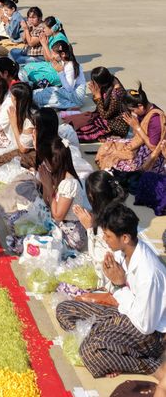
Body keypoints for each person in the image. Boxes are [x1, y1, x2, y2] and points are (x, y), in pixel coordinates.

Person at [56, 202, 166, 377]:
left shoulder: (149, 273)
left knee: (88, 350)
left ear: (125, 238)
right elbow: (117, 293)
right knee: (65, 309)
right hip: (123, 312)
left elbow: (145, 325)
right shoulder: (122, 252)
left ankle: (152, 367)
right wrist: (112, 283)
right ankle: (110, 348)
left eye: (107, 236)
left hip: (151, 335)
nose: (105, 240)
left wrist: (119, 286)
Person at [96, 84, 166, 174]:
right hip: (141, 146)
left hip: (153, 156)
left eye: (133, 110)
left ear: (140, 106)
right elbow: (136, 136)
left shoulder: (155, 118)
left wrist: (137, 127)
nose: (133, 112)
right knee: (107, 147)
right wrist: (135, 125)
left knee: (117, 167)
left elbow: (153, 147)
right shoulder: (144, 110)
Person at [68, 67, 129, 142]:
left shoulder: (116, 93)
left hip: (116, 124)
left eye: (94, 81)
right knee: (78, 122)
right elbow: (100, 106)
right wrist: (96, 95)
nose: (92, 82)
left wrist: (97, 96)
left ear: (101, 82)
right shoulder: (108, 82)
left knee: (84, 132)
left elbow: (105, 115)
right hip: (106, 116)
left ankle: (107, 135)